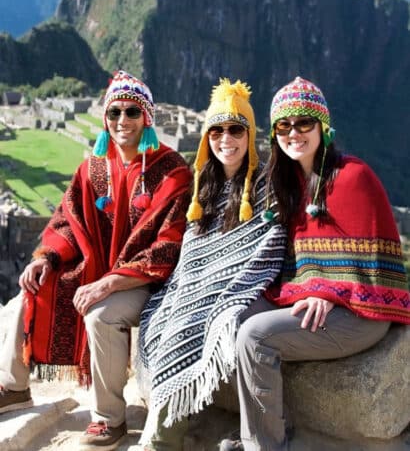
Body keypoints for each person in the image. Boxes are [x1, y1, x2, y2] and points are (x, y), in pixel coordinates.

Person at [0, 70, 192, 450]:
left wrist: (111, 281)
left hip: (149, 281)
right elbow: (68, 223)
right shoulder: (94, 169)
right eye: (115, 112)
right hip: (99, 271)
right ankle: (15, 386)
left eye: (132, 113)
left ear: (147, 118)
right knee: (34, 285)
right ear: (106, 118)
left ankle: (109, 418)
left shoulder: (172, 173)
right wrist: (46, 257)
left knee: (100, 312)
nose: (123, 121)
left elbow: (168, 246)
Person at [220, 76, 410, 451]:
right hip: (312, 299)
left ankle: (265, 446)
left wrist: (328, 291)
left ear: (323, 126)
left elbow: (371, 269)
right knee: (235, 314)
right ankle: (263, 432)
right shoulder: (289, 182)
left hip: (361, 312)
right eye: (284, 126)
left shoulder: (354, 178)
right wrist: (314, 288)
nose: (294, 133)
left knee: (256, 336)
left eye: (304, 123)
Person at [138, 78, 287, 451]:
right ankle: (160, 432)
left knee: (202, 319)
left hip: (244, 289)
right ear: (206, 137)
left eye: (236, 129)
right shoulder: (204, 186)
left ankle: (159, 442)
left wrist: (222, 290)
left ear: (249, 134)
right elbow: (193, 256)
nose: (226, 139)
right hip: (196, 286)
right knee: (163, 315)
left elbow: (266, 250)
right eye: (217, 130)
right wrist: (190, 287)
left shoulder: (267, 187)